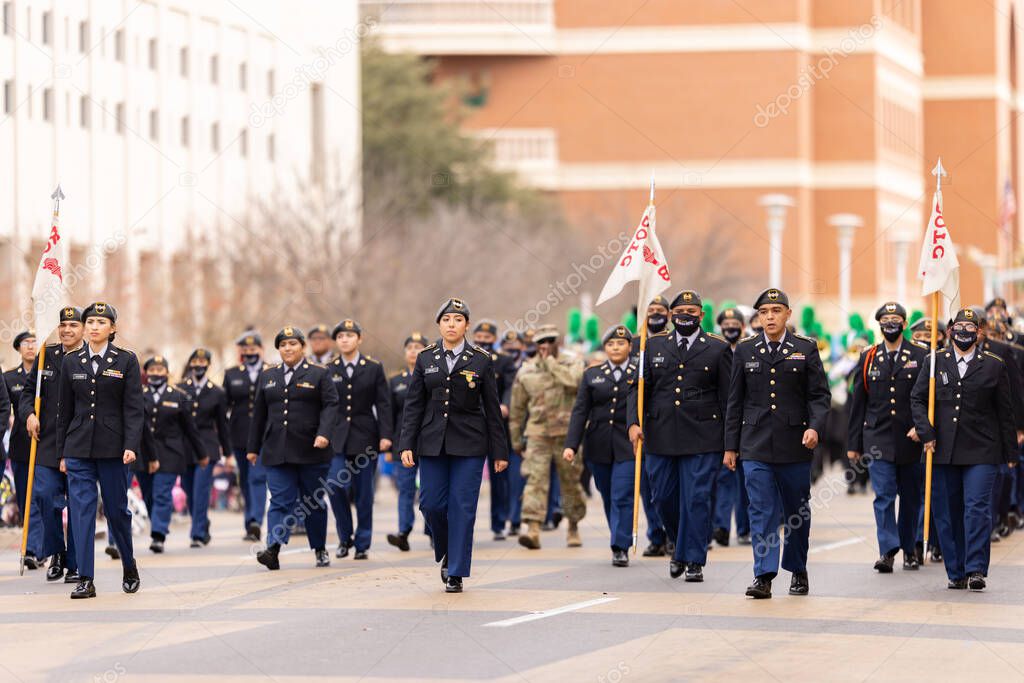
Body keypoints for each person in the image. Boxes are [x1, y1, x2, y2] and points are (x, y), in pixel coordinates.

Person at [724, 288, 831, 599]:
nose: (769, 316)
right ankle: (764, 574)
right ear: (758, 318)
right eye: (764, 312)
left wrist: (814, 428)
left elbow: (819, 396)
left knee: (796, 511)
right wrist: (730, 447)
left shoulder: (805, 349)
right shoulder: (745, 351)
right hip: (754, 445)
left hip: (795, 444)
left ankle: (798, 568)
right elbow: (735, 402)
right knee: (761, 510)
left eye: (776, 310)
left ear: (787, 314)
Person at [399, 298, 508, 593]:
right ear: (439, 324)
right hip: (432, 443)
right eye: (446, 320)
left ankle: (456, 571)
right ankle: (448, 549)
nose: (451, 324)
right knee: (431, 504)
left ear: (466, 325)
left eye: (457, 320)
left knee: (462, 507)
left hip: (470, 444)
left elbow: (492, 409)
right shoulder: (425, 358)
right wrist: (406, 443)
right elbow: (413, 405)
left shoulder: (481, 359)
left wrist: (500, 451)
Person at [628, 290, 732, 582]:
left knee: (697, 499)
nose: (686, 315)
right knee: (662, 497)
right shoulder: (654, 345)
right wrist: (633, 423)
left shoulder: (717, 347)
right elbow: (638, 390)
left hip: (703, 437)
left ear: (701, 315)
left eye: (691, 311)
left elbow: (728, 399)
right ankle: (678, 545)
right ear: (672, 316)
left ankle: (694, 559)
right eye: (680, 311)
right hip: (660, 436)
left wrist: (730, 443)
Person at [911, 307, 1017, 591]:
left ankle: (976, 569)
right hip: (943, 450)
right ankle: (955, 570)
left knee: (977, 509)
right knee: (947, 511)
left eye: (971, 328)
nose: (964, 332)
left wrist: (1010, 455)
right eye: (959, 326)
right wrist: (926, 432)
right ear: (949, 331)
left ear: (979, 332)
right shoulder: (934, 362)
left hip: (982, 450)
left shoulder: (994, 364)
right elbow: (918, 400)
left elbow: (1004, 411)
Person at [56, 302, 144, 599]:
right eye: (90, 321)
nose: (94, 326)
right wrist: (61, 454)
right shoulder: (71, 361)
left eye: (100, 322)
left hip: (114, 449)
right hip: (78, 447)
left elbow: (133, 409)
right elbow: (63, 412)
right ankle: (85, 577)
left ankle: (129, 565)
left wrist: (131, 445)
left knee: (117, 511)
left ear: (112, 328)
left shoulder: (126, 360)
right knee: (81, 512)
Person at [247, 326, 338, 570]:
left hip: (312, 450)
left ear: (302, 347)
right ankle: (273, 549)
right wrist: (253, 447)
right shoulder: (268, 376)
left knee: (313, 502)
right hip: (277, 450)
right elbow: (259, 414)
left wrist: (324, 434)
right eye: (283, 345)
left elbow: (331, 405)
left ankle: (319, 549)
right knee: (279, 500)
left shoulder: (320, 374)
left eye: (293, 344)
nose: (288, 349)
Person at [846, 302, 927, 572]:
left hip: (910, 438)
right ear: (878, 324)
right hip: (877, 437)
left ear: (904, 324)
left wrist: (924, 429)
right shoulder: (869, 356)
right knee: (883, 495)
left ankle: (910, 548)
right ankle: (887, 549)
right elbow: (858, 402)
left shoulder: (921, 355)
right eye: (885, 319)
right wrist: (854, 444)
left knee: (911, 497)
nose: (890, 323)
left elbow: (931, 399)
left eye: (895, 319)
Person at [564, 325, 637, 567]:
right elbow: (580, 411)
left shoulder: (640, 373)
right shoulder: (592, 374)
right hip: (598, 443)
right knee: (607, 494)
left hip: (629, 445)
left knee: (622, 494)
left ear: (629, 346)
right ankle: (618, 534)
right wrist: (571, 445)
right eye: (610, 344)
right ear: (605, 348)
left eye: (621, 343)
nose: (615, 348)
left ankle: (620, 545)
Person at [509, 324, 586, 550]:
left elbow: (574, 383)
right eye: (540, 342)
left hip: (567, 435)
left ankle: (573, 525)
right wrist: (515, 439)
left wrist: (552, 364)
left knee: (570, 481)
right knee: (535, 481)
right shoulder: (527, 370)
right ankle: (532, 529)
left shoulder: (572, 363)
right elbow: (517, 409)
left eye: (549, 341)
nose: (544, 346)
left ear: (557, 341)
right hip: (538, 434)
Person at [23, 308, 84, 581]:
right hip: (46, 443)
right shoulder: (46, 355)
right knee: (46, 497)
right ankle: (56, 552)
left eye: (73, 324)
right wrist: (29, 415)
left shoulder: (88, 359)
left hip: (78, 443)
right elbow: (27, 394)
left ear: (82, 328)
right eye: (62, 325)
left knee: (76, 503)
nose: (67, 330)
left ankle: (74, 562)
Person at [326, 318, 392, 560]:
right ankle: (345, 537)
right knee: (334, 485)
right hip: (337, 438)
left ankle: (362, 542)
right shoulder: (329, 369)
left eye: (350, 336)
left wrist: (386, 436)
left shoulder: (373, 367)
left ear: (359, 339)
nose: (345, 340)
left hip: (366, 437)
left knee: (364, 492)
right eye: (341, 336)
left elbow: (383, 404)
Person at [143, 356, 206, 553]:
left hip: (170, 453)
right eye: (152, 370)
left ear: (167, 373)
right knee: (148, 495)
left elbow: (190, 429)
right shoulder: (137, 395)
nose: (156, 373)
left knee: (162, 493)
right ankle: (157, 524)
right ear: (146, 373)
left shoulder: (179, 396)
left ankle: (158, 535)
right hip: (143, 453)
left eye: (160, 370)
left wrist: (201, 453)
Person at [631, 295, 672, 557]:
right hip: (641, 426)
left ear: (668, 315)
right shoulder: (635, 344)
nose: (655, 314)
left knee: (667, 486)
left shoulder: (672, 342)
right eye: (650, 310)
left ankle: (672, 534)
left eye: (660, 310)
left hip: (665, 425)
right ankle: (655, 535)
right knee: (647, 485)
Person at [179, 348, 232, 548]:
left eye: (203, 361)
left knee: (201, 489)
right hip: (185, 446)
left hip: (207, 446)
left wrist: (227, 454)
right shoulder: (180, 389)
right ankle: (202, 522)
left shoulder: (217, 392)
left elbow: (223, 425)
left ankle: (197, 533)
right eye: (195, 361)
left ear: (208, 365)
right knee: (188, 489)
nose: (199, 365)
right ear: (190, 363)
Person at [471, 319, 516, 541]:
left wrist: (505, 404)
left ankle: (499, 523)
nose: (483, 341)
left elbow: (509, 385)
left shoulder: (505, 361)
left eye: (487, 338)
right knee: (469, 477)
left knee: (500, 478)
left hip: (498, 425)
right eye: (479, 337)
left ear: (495, 340)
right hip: (473, 425)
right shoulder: (468, 359)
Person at [711, 308, 751, 546]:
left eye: (735, 323)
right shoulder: (714, 351)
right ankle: (722, 527)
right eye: (726, 324)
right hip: (721, 425)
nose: (730, 327)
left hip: (747, 425)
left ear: (742, 327)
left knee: (746, 481)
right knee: (724, 479)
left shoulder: (748, 350)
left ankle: (744, 528)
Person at [386, 332, 429, 552]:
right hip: (404, 444)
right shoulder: (395, 382)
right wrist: (390, 446)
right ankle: (403, 532)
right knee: (405, 488)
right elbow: (390, 416)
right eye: (410, 347)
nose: (413, 351)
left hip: (430, 441)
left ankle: (433, 531)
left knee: (431, 488)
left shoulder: (433, 377)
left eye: (419, 347)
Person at [224, 332, 268, 541]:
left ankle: (256, 521)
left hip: (264, 435)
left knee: (257, 477)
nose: (250, 353)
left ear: (261, 350)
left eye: (253, 349)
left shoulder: (271, 372)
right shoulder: (232, 374)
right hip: (239, 434)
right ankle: (249, 520)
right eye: (246, 350)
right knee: (245, 479)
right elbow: (224, 407)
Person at [5, 330, 39, 568]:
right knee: (26, 497)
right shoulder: (8, 378)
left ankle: (42, 546)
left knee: (43, 496)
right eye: (26, 343)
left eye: (34, 342)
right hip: (20, 445)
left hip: (45, 443)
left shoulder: (47, 373)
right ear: (18, 348)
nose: (31, 347)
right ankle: (30, 547)